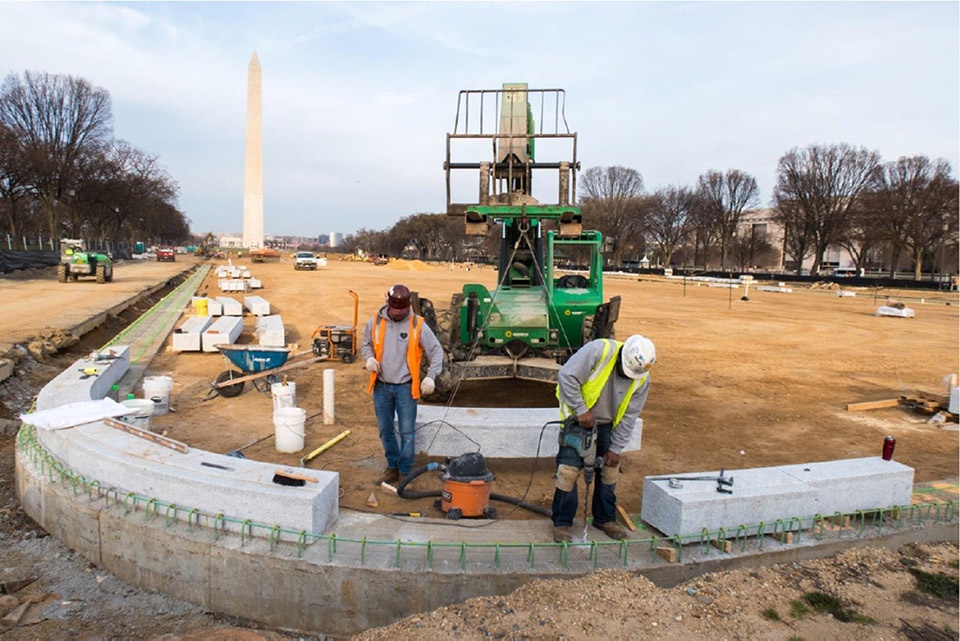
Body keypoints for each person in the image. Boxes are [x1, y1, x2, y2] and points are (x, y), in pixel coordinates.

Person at [552, 334, 655, 543]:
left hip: (607, 425)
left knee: (609, 471)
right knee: (568, 472)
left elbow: (630, 415)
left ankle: (604, 518)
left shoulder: (641, 377)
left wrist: (616, 448)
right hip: (577, 421)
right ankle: (562, 523)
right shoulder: (599, 351)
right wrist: (581, 410)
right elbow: (566, 376)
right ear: (622, 356)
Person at [361, 283, 444, 485]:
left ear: (408, 306)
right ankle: (392, 467)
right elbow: (366, 344)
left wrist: (431, 376)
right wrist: (369, 359)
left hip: (405, 387)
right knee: (386, 430)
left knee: (407, 432)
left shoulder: (417, 324)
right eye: (395, 310)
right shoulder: (375, 322)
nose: (399, 314)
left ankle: (405, 472)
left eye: (403, 310)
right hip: (381, 386)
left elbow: (437, 351)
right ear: (387, 303)